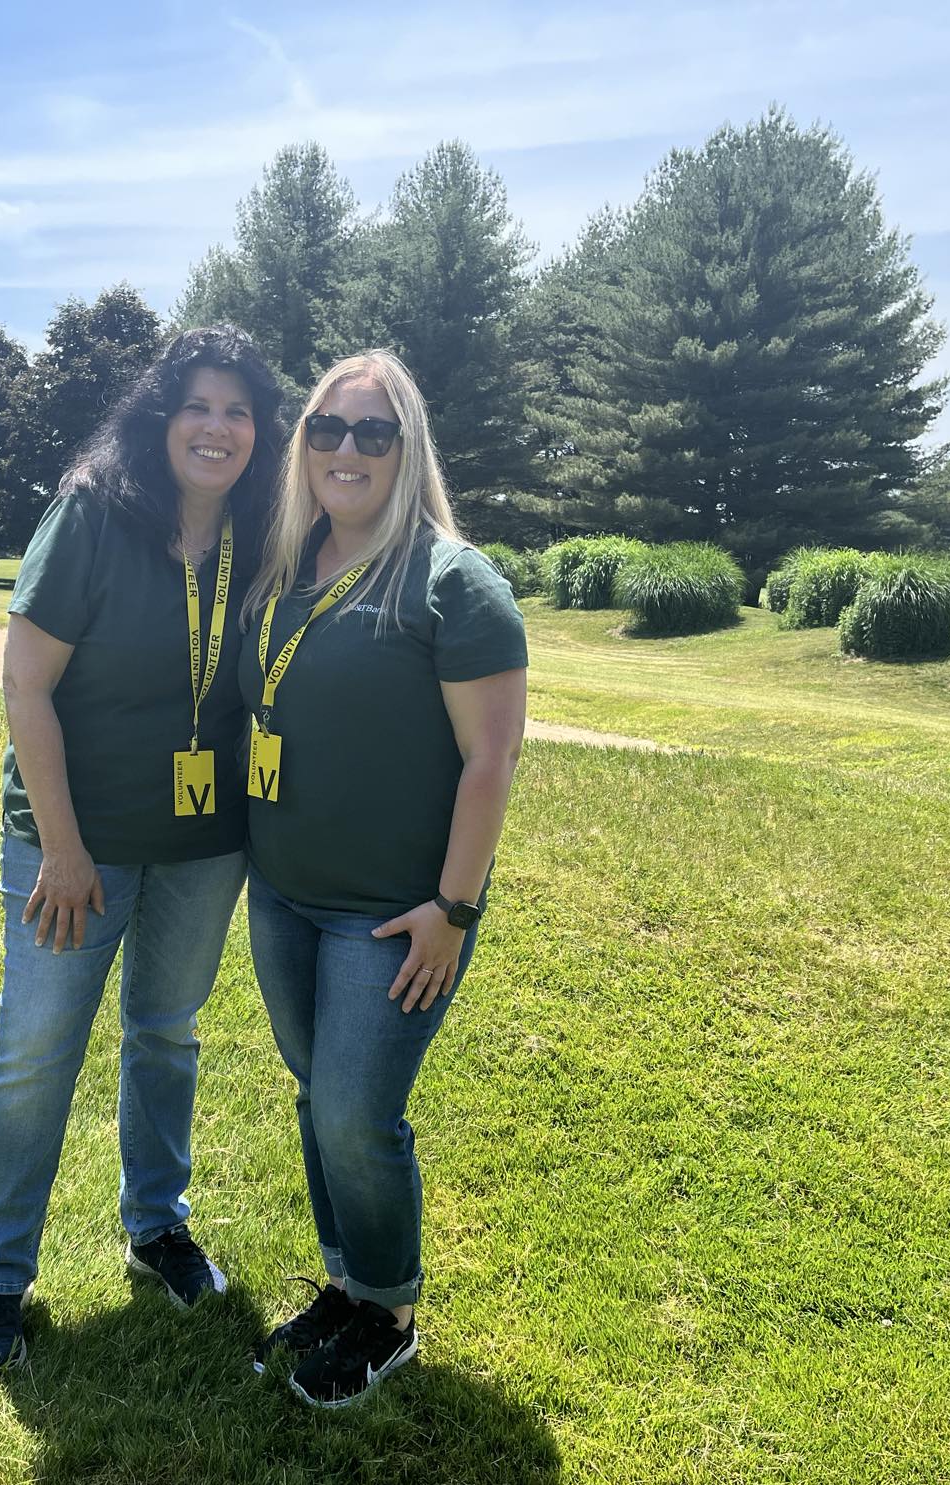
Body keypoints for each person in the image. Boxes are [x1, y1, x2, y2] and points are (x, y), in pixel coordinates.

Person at [0, 325, 283, 1368]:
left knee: (166, 1033)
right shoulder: (93, 512)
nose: (217, 427)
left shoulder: (262, 529)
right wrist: (61, 848)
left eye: (238, 411)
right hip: (76, 847)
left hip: (203, 843)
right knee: (36, 1057)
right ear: (160, 415)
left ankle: (156, 1228)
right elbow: (25, 685)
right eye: (197, 404)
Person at [239, 350, 528, 1407]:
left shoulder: (452, 581)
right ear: (301, 445)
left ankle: (390, 1315)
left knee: (359, 1114)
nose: (345, 450)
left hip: (393, 915)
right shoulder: (286, 566)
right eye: (325, 428)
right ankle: (346, 1286)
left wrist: (453, 911)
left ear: (407, 450)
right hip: (283, 895)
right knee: (319, 1098)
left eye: (372, 432)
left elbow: (489, 761)